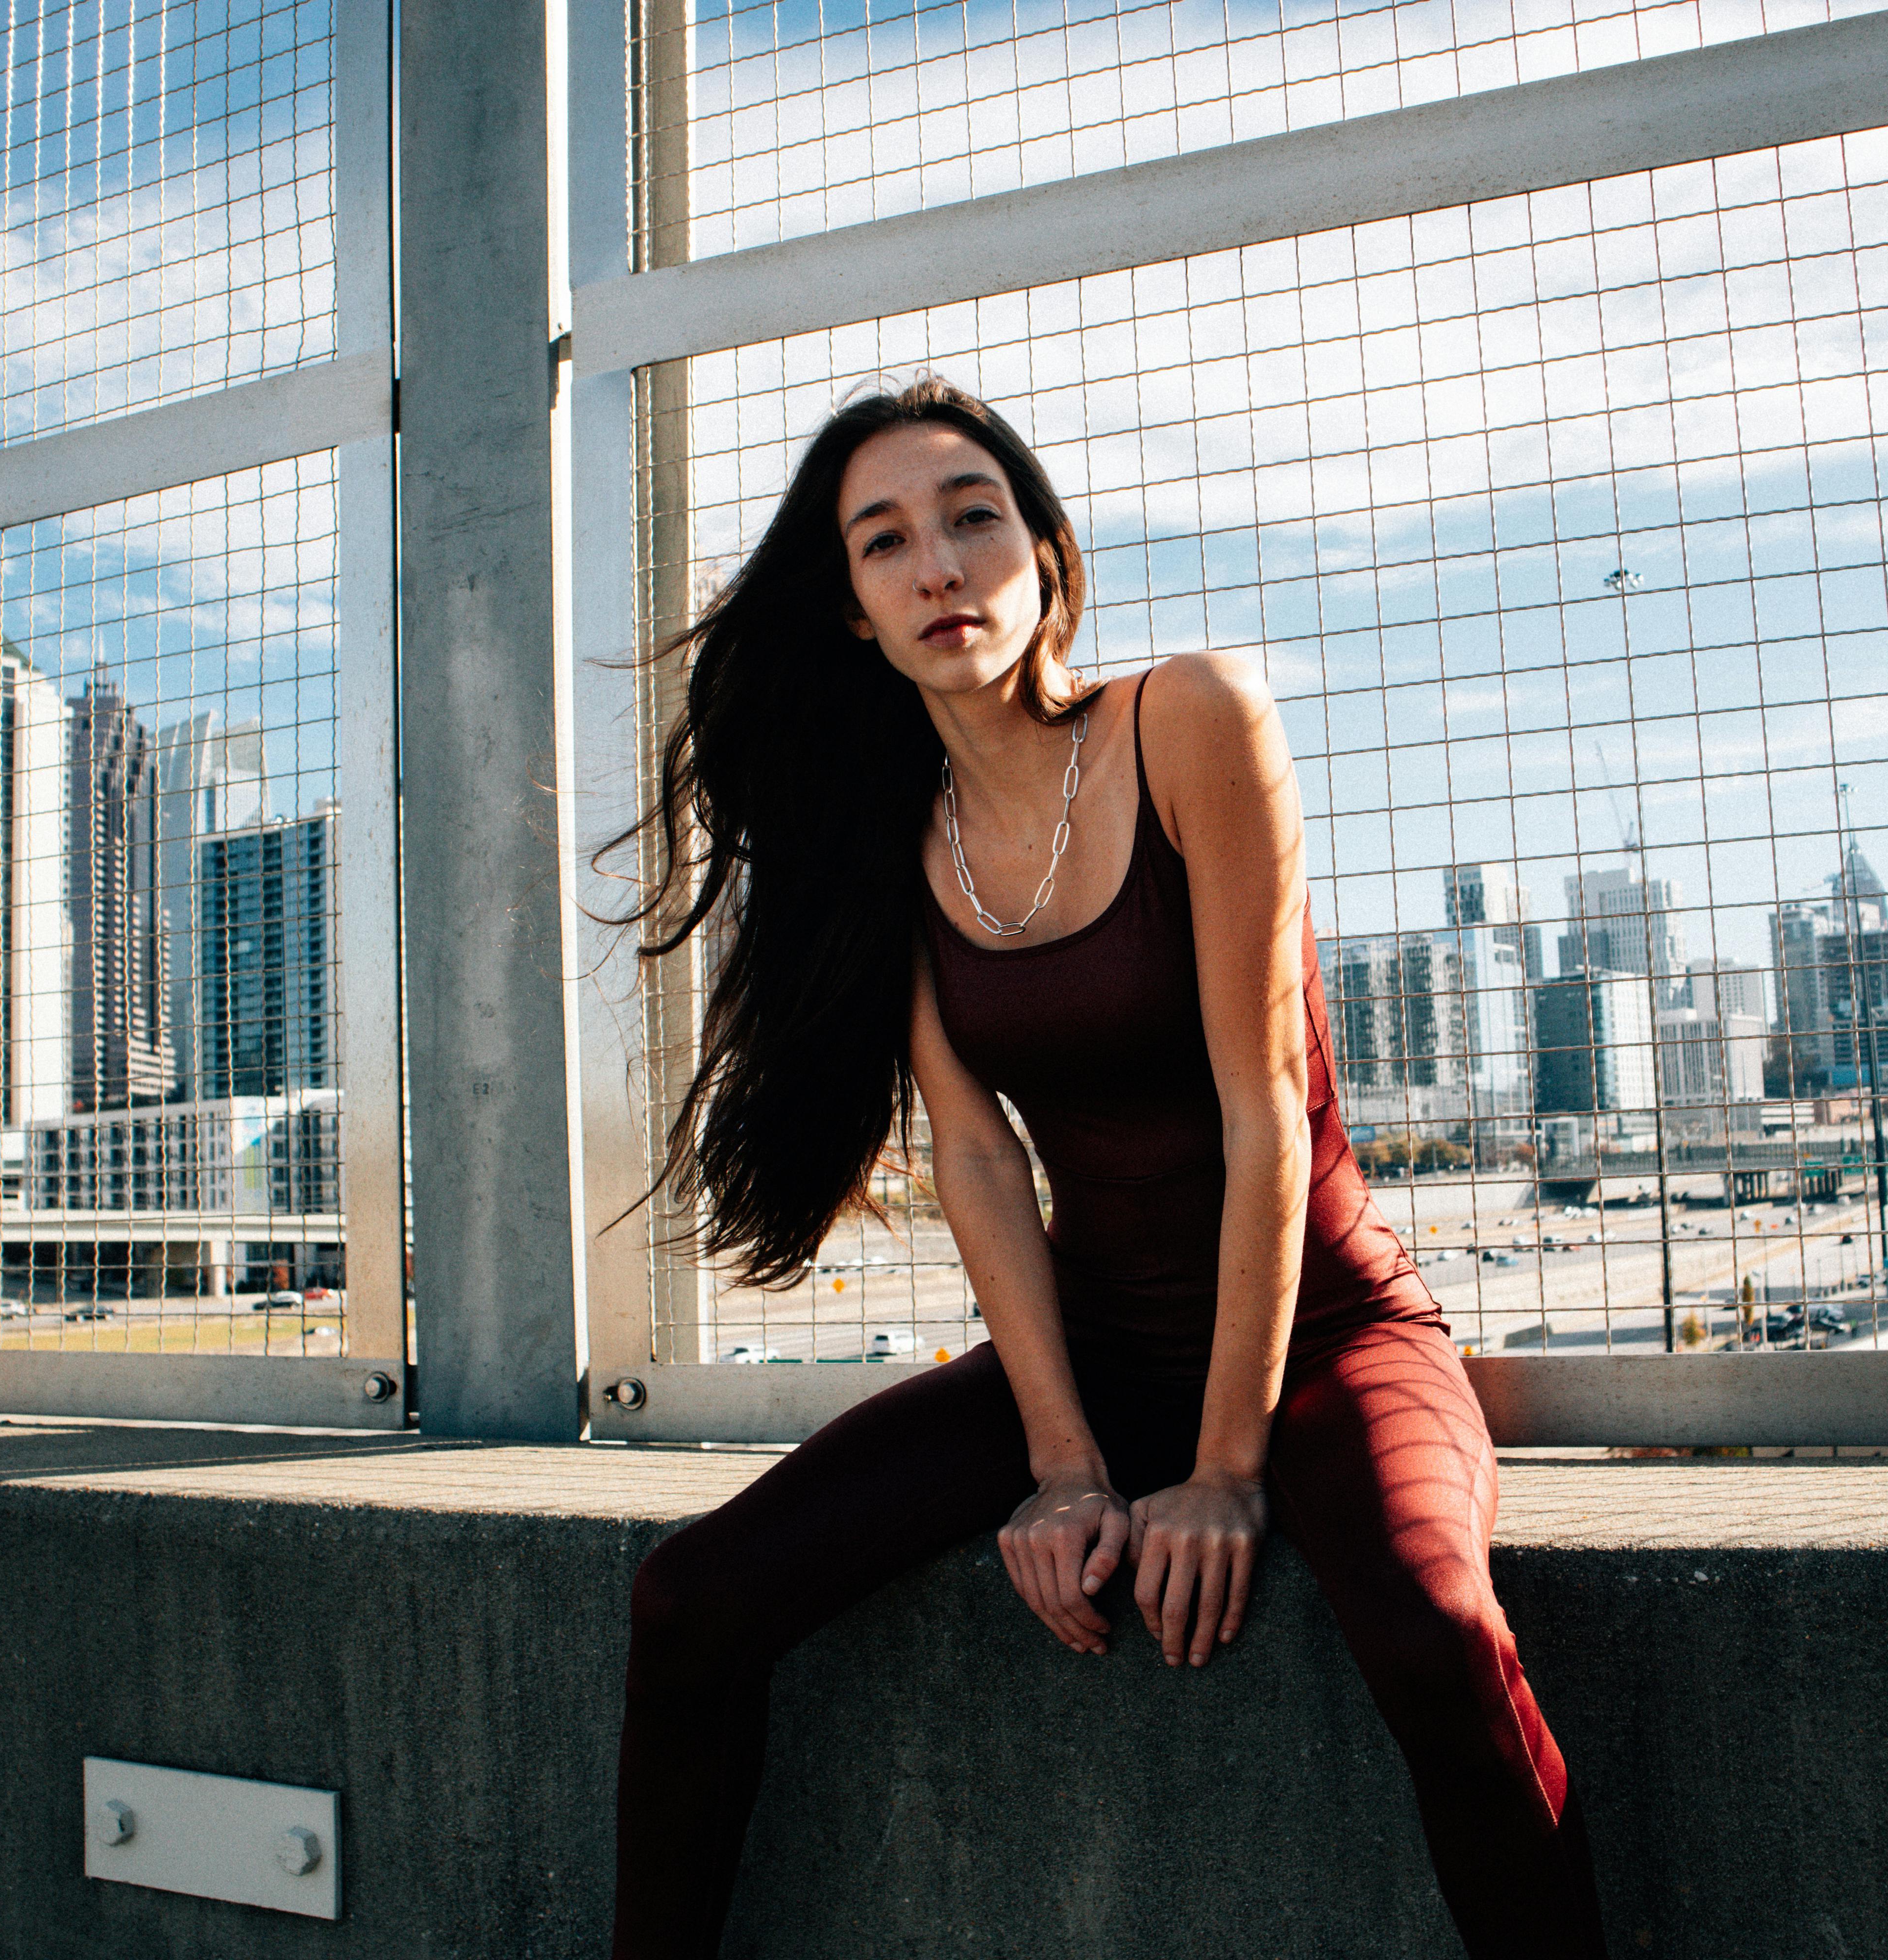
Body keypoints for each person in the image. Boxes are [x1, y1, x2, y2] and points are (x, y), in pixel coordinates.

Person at [607, 376, 1605, 1958]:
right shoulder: (894, 843)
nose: (939, 566)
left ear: (1050, 559)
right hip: (1090, 1353)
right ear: (855, 612)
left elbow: (1264, 1102)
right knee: (691, 1602)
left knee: (1431, 1634)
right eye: (885, 542)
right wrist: (1067, 1463)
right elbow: (983, 1166)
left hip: (1327, 1332)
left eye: (972, 519)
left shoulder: (1193, 720)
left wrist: (1220, 1472)